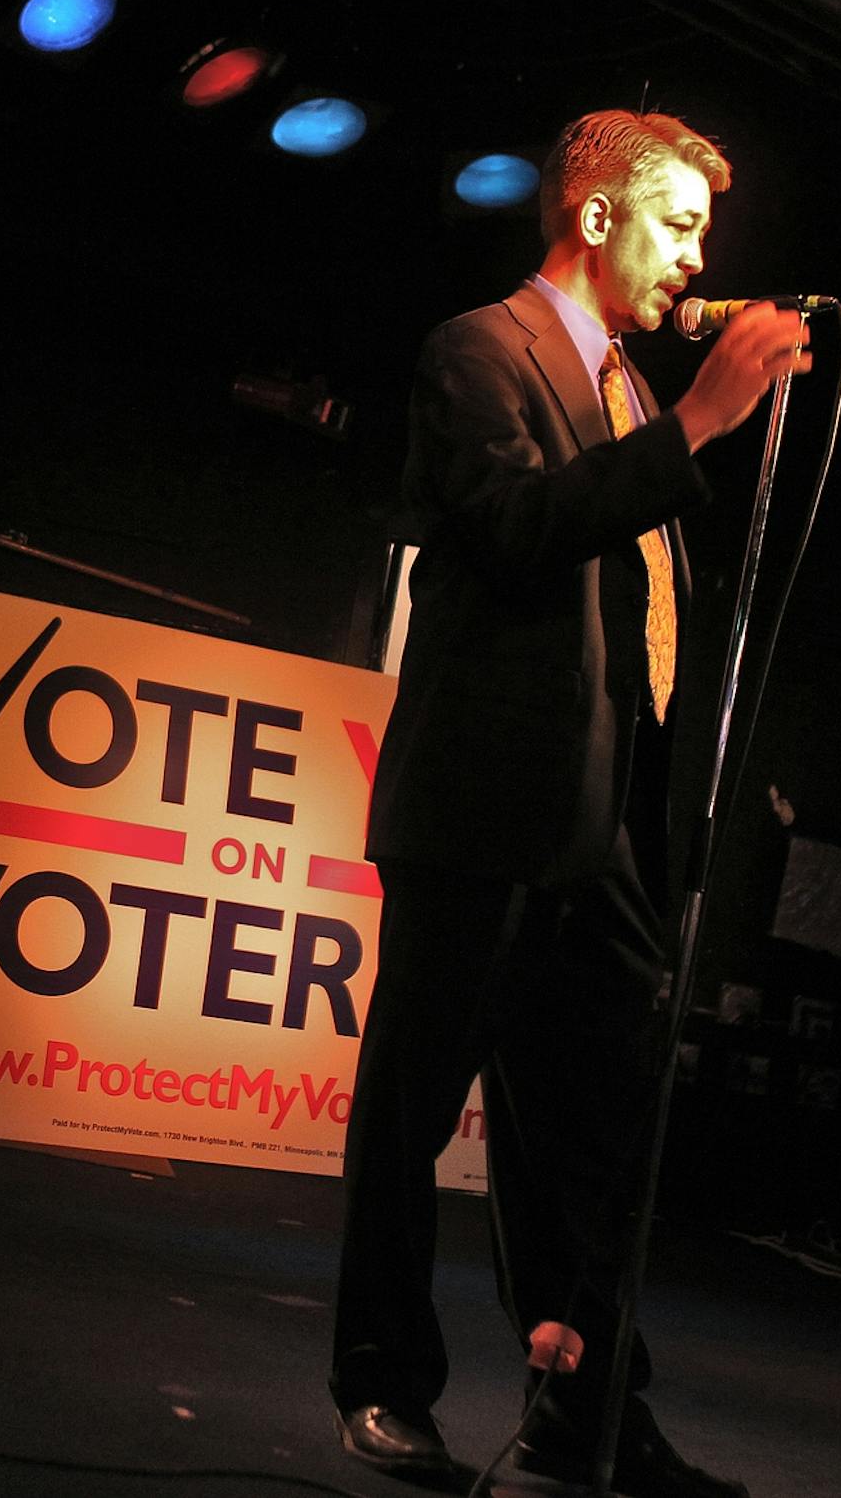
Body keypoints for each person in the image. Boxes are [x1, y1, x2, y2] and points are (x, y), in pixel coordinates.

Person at [327, 109, 811, 1497]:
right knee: (415, 1107)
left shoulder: (633, 393)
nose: (697, 257)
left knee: (594, 1140)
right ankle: (385, 1385)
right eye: (678, 225)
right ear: (597, 216)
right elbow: (519, 528)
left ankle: (582, 1414)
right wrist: (707, 421)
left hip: (605, 826)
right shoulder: (481, 350)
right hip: (486, 805)